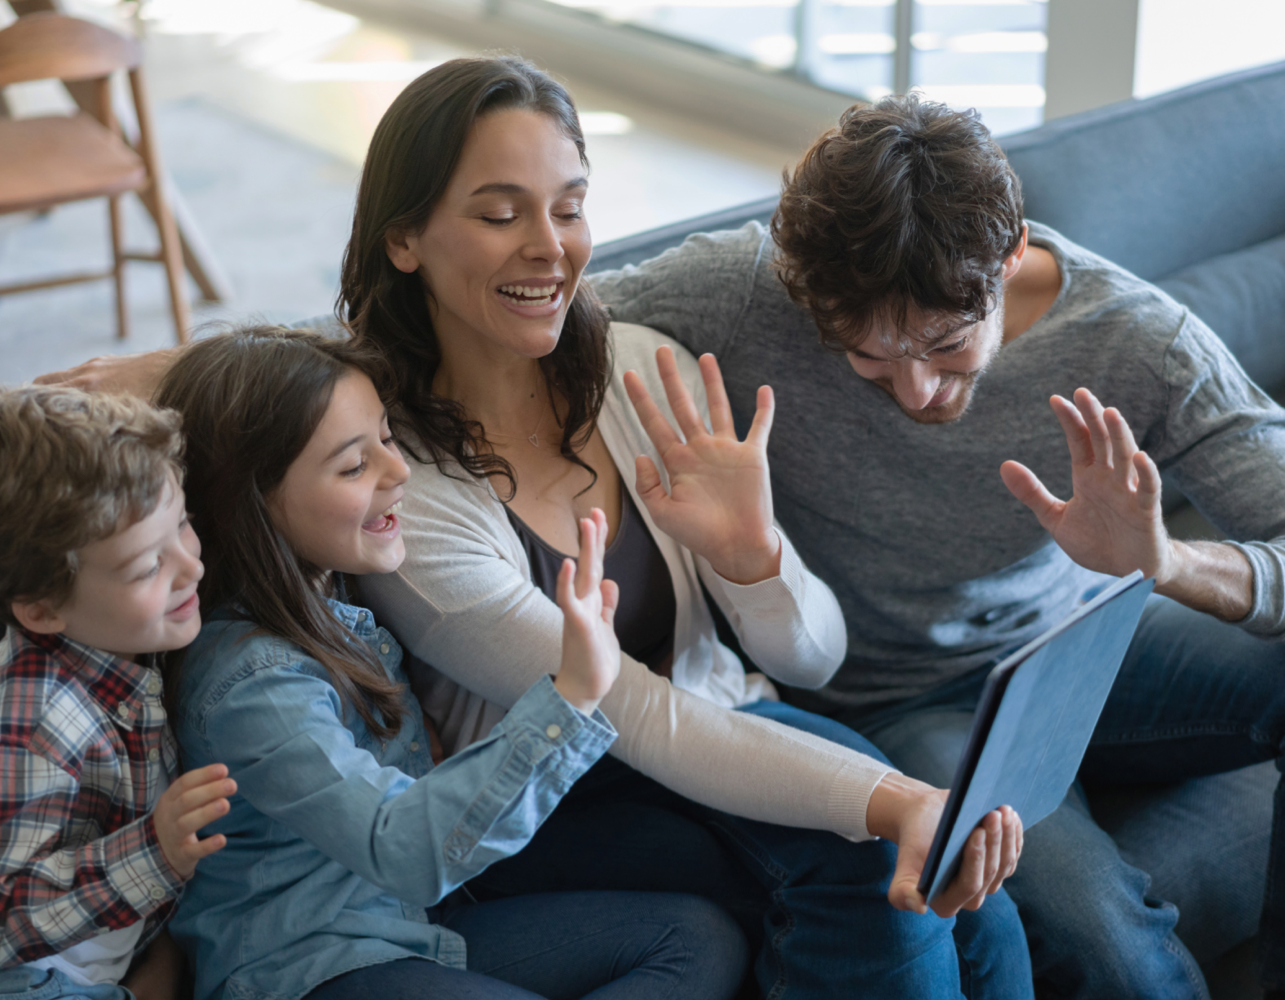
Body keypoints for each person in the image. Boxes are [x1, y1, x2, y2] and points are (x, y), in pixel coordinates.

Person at [35, 58, 1031, 1000]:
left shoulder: (641, 367)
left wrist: (751, 557)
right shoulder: (401, 490)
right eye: (499, 212)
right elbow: (631, 717)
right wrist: (885, 801)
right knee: (879, 856)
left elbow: (809, 658)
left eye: (569, 207)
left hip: (719, 723)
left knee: (968, 879)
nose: (550, 246)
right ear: (403, 238)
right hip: (553, 796)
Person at [589, 93, 1285, 1000]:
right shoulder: (742, 290)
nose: (915, 390)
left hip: (1087, 648)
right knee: (1101, 945)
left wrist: (1171, 562)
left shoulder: (1141, 343)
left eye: (948, 349)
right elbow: (534, 320)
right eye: (868, 359)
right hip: (903, 705)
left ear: (1008, 255)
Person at [154, 326, 752, 1000]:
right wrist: (573, 694)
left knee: (695, 940)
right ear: (250, 500)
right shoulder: (254, 682)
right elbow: (402, 848)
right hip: (312, 968)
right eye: (355, 466)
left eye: (387, 438)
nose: (399, 470)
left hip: (415, 931)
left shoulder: (334, 594)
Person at [0, 386, 234, 1000]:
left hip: (115, 939)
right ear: (42, 610)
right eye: (146, 568)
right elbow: (6, 916)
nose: (191, 566)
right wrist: (154, 850)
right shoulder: (35, 721)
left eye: (182, 524)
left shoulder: (122, 630)